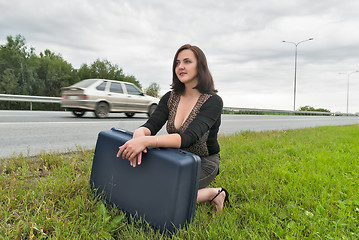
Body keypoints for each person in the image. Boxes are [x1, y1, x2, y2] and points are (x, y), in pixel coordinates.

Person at [116, 44, 229, 212]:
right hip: (174, 158)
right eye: (177, 63)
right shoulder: (170, 97)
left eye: (187, 61)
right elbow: (151, 125)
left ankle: (215, 193)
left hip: (203, 162)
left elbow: (188, 138)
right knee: (146, 184)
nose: (180, 67)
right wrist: (139, 135)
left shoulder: (213, 101)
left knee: (164, 194)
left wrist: (147, 141)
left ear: (200, 66)